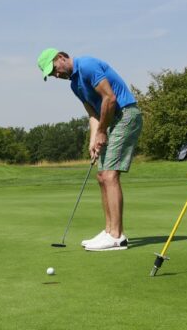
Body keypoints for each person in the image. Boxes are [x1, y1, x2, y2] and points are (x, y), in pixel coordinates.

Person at [37, 48, 143, 251]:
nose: (56, 75)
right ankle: (108, 231)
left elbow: (110, 98)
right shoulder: (74, 85)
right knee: (101, 176)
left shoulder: (87, 65)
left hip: (125, 115)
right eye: (51, 74)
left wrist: (102, 131)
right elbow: (93, 114)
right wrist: (93, 140)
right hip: (109, 120)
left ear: (61, 57)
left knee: (110, 175)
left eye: (54, 69)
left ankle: (117, 236)